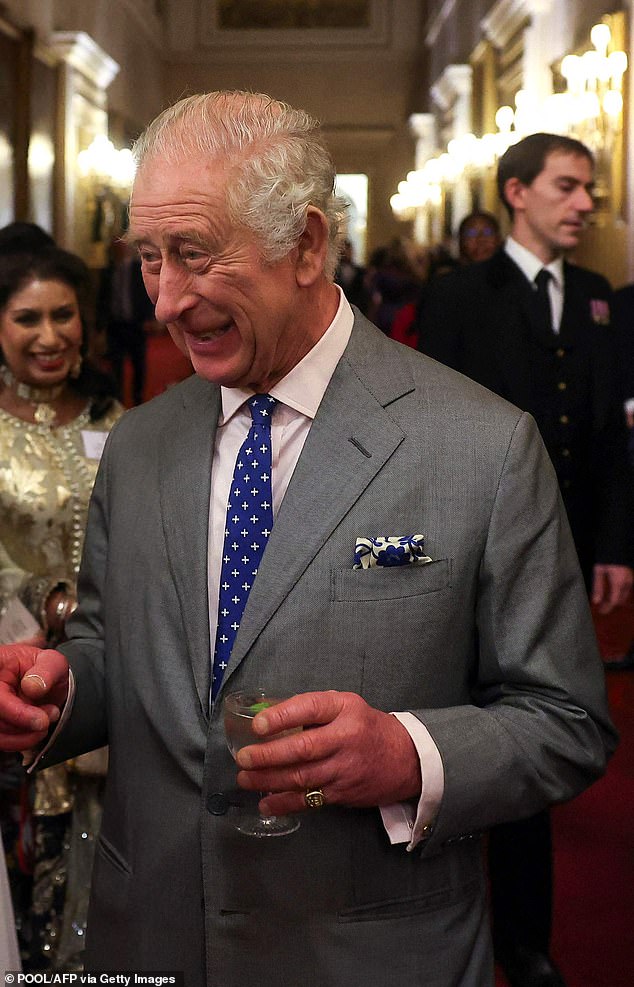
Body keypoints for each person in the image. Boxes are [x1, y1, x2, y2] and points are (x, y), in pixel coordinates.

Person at [0, 94, 617, 987]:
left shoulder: (482, 445)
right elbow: (110, 648)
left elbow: (566, 722)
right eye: (148, 258)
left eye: (195, 255)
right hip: (153, 938)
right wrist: (55, 692)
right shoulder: (139, 442)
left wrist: (407, 754)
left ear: (307, 244)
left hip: (366, 950)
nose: (167, 300)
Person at [418, 132, 633, 987]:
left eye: (590, 189)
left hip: (566, 548)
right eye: (567, 187)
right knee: (455, 726)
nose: (584, 203)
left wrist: (614, 544)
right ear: (517, 192)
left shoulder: (596, 298)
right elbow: (428, 430)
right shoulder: (461, 294)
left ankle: (525, 939)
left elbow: (614, 436)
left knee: (535, 729)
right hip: (469, 549)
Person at [0, 239, 124, 970]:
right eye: (26, 318)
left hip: (106, 671)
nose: (49, 336)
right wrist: (44, 600)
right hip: (12, 675)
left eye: (63, 315)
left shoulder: (116, 415)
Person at [97, 237, 156, 406]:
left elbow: (147, 295)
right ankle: (119, 400)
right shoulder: (108, 271)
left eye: (121, 248)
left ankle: (138, 399)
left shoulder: (139, 269)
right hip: (115, 326)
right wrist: (100, 327)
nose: (119, 251)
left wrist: (149, 317)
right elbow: (102, 299)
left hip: (136, 325)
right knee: (116, 365)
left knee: (139, 364)